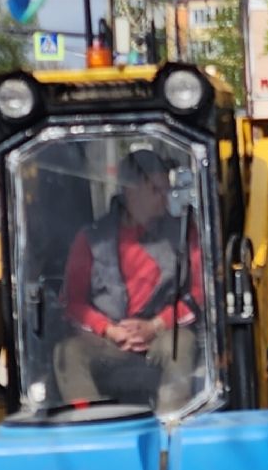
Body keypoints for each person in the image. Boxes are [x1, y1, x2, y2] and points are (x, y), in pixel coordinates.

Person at [54, 149, 205, 413]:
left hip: (163, 333)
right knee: (69, 353)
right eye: (156, 190)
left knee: (182, 344)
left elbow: (199, 294)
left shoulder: (183, 234)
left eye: (166, 190)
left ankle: (170, 426)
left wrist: (156, 325)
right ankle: (91, 426)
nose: (165, 198)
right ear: (131, 190)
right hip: (109, 339)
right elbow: (72, 302)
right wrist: (109, 330)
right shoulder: (91, 239)